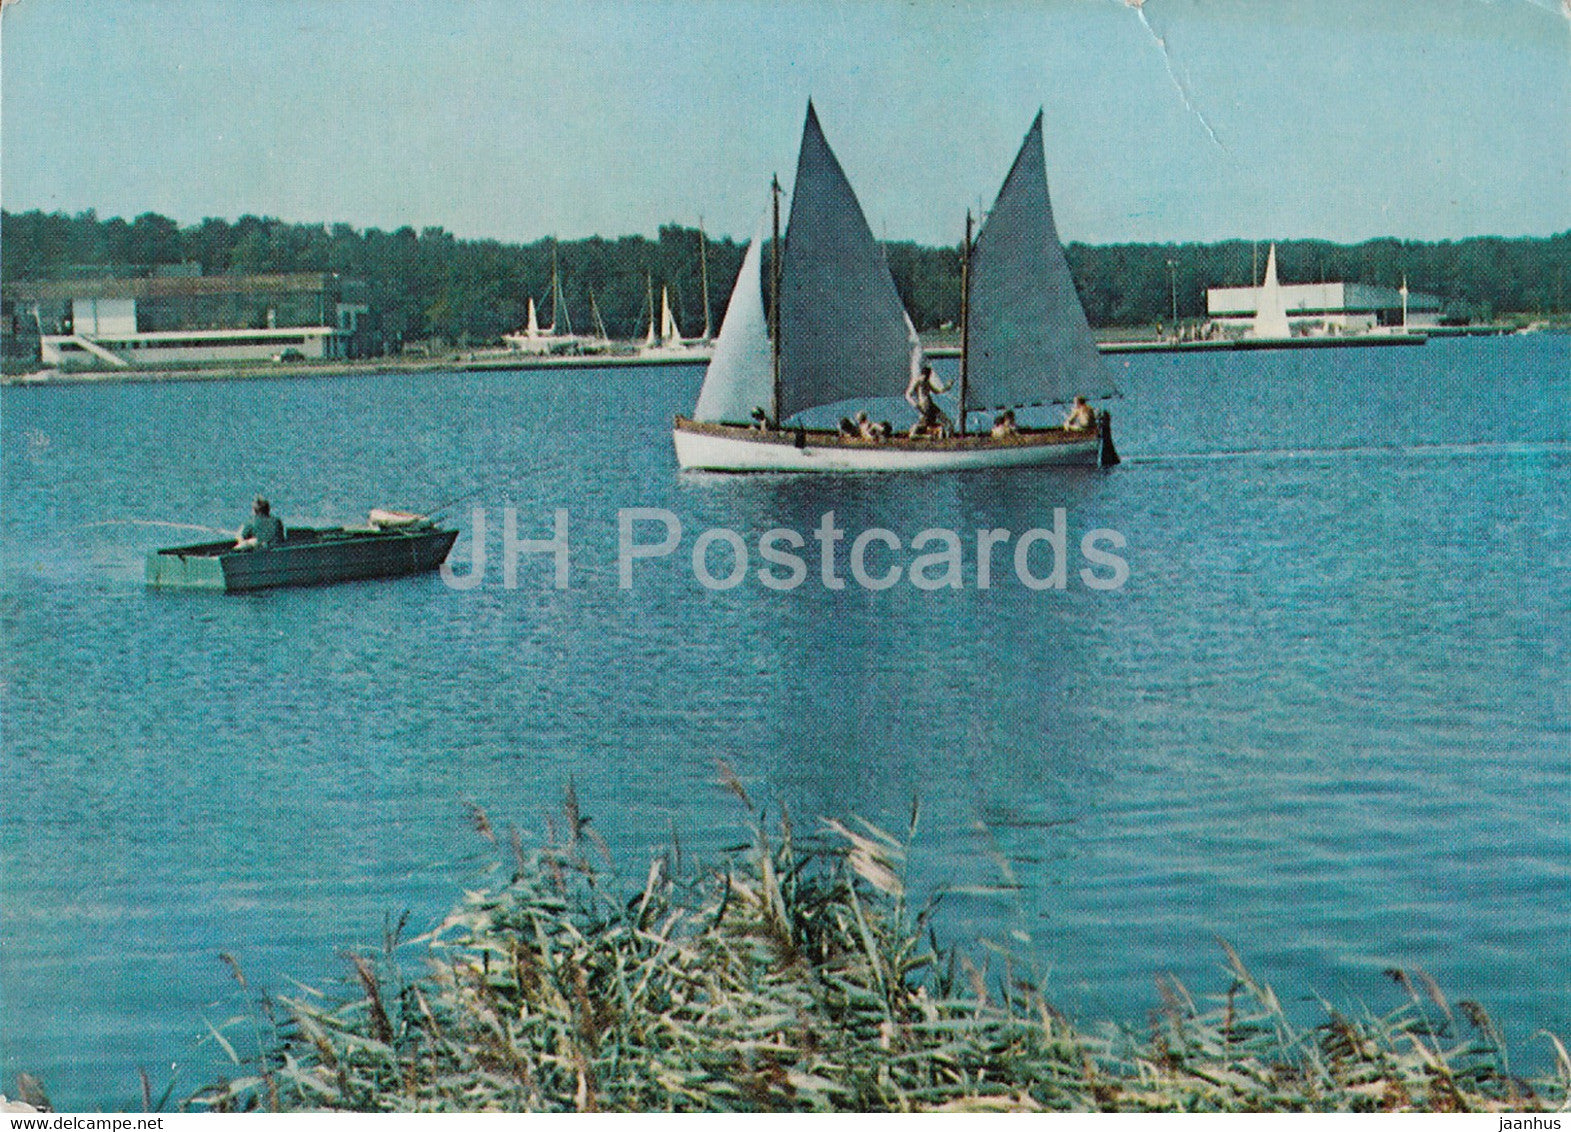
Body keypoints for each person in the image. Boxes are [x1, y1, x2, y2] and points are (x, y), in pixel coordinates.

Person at [905, 363, 953, 438]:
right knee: (925, 423)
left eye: (928, 376)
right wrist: (915, 405)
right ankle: (927, 434)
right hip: (924, 406)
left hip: (929, 404)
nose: (926, 378)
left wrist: (947, 386)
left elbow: (937, 391)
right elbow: (908, 394)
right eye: (926, 376)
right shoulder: (918, 381)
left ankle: (945, 434)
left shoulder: (926, 382)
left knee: (946, 422)